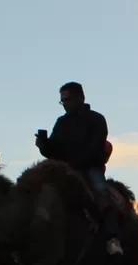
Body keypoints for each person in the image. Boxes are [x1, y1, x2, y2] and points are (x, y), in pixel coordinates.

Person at [35, 82, 121, 255]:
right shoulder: (61, 122)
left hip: (89, 168)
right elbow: (54, 150)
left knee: (101, 191)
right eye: (62, 101)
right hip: (64, 169)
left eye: (67, 99)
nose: (65, 104)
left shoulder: (96, 119)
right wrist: (44, 146)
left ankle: (113, 238)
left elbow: (95, 148)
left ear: (80, 98)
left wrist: (73, 164)